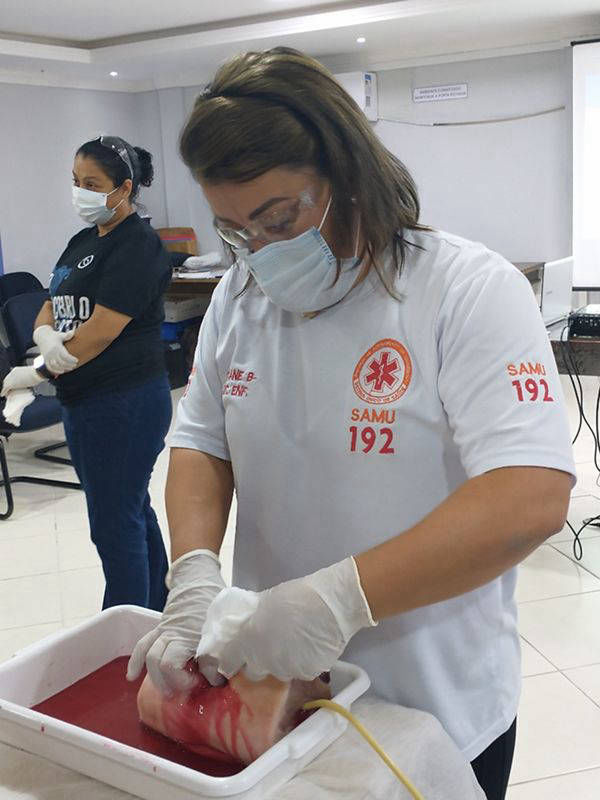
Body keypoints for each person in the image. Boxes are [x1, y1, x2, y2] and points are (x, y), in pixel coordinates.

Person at [126, 48, 575, 800]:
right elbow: (202, 441)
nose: (260, 251)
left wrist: (338, 600)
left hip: (435, 704)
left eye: (279, 218)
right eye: (234, 230)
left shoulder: (464, 290)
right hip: (280, 699)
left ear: (348, 174)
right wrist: (194, 573)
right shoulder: (240, 299)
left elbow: (529, 496)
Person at [2, 136, 172, 611]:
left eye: (92, 184)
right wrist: (44, 335)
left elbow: (99, 333)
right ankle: (156, 609)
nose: (80, 192)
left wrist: (34, 374)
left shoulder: (139, 245)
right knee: (130, 509)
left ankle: (122, 632)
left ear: (124, 188)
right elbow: (50, 302)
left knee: (114, 525)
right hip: (84, 400)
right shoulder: (81, 241)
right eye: (76, 181)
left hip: (124, 401)